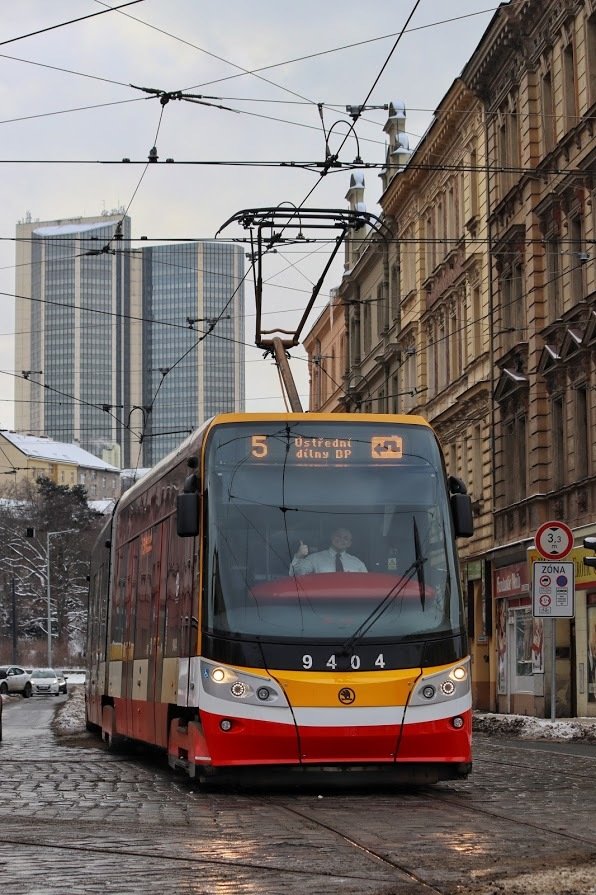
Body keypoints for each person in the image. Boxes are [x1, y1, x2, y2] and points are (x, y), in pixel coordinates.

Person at [289, 527, 367, 576]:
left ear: (349, 544)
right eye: (338, 536)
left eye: (346, 538)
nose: (341, 539)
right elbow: (296, 575)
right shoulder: (315, 558)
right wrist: (299, 556)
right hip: (321, 601)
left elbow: (366, 584)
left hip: (352, 601)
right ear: (332, 537)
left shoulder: (357, 563)